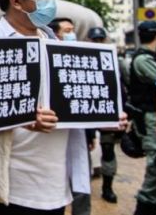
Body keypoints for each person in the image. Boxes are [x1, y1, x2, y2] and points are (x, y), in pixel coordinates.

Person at [0, 0, 68, 215]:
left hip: (55, 183)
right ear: (16, 0)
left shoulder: (55, 44)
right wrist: (23, 117)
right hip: (12, 185)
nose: (51, 0)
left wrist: (106, 117)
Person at [48, 17, 93, 215]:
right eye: (67, 30)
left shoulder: (84, 60)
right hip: (49, 146)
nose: (72, 34)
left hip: (77, 138)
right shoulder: (47, 60)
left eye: (73, 30)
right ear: (56, 34)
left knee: (81, 188)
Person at [126, 21, 156, 215]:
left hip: (152, 117)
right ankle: (146, 207)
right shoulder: (143, 60)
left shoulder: (145, 57)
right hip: (150, 119)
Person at [86, 26, 120, 204]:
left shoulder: (115, 60)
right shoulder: (81, 59)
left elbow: (121, 88)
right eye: (95, 40)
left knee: (108, 151)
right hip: (85, 113)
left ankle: (108, 186)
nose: (98, 43)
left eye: (101, 40)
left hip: (106, 112)